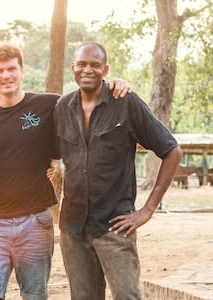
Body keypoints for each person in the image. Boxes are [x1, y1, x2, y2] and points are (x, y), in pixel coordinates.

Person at [0, 42, 132, 300]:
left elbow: (88, 97)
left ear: (22, 71)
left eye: (11, 69)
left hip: (35, 222)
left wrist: (116, 84)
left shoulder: (49, 105)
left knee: (35, 295)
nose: (6, 76)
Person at [54, 41, 182, 300]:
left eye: (94, 65)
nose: (87, 70)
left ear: (106, 69)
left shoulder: (125, 103)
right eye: (81, 64)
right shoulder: (62, 108)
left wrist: (147, 210)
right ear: (72, 68)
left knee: (127, 296)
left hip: (115, 226)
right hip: (73, 228)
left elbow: (172, 151)